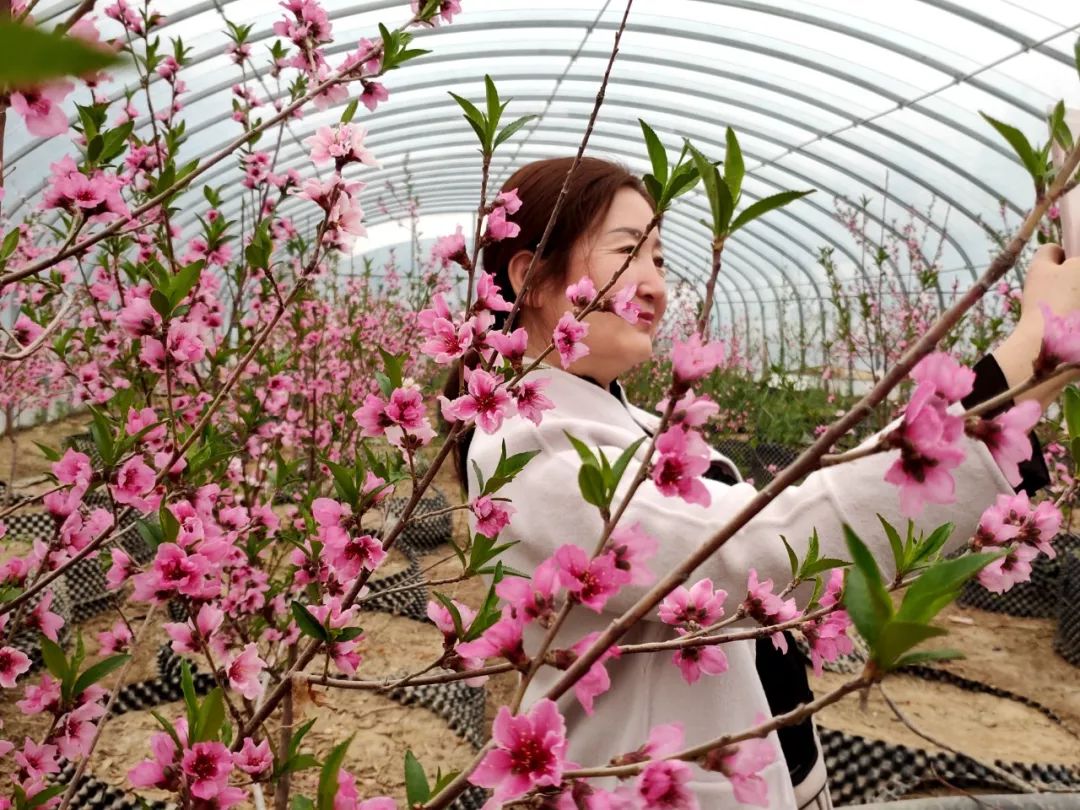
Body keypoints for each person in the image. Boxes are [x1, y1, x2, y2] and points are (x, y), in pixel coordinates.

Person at [441, 156, 1079, 808]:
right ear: (532, 279)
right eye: (629, 251)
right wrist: (1032, 354)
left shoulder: (623, 420)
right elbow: (764, 547)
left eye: (660, 259)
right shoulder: (535, 451)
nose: (656, 285)